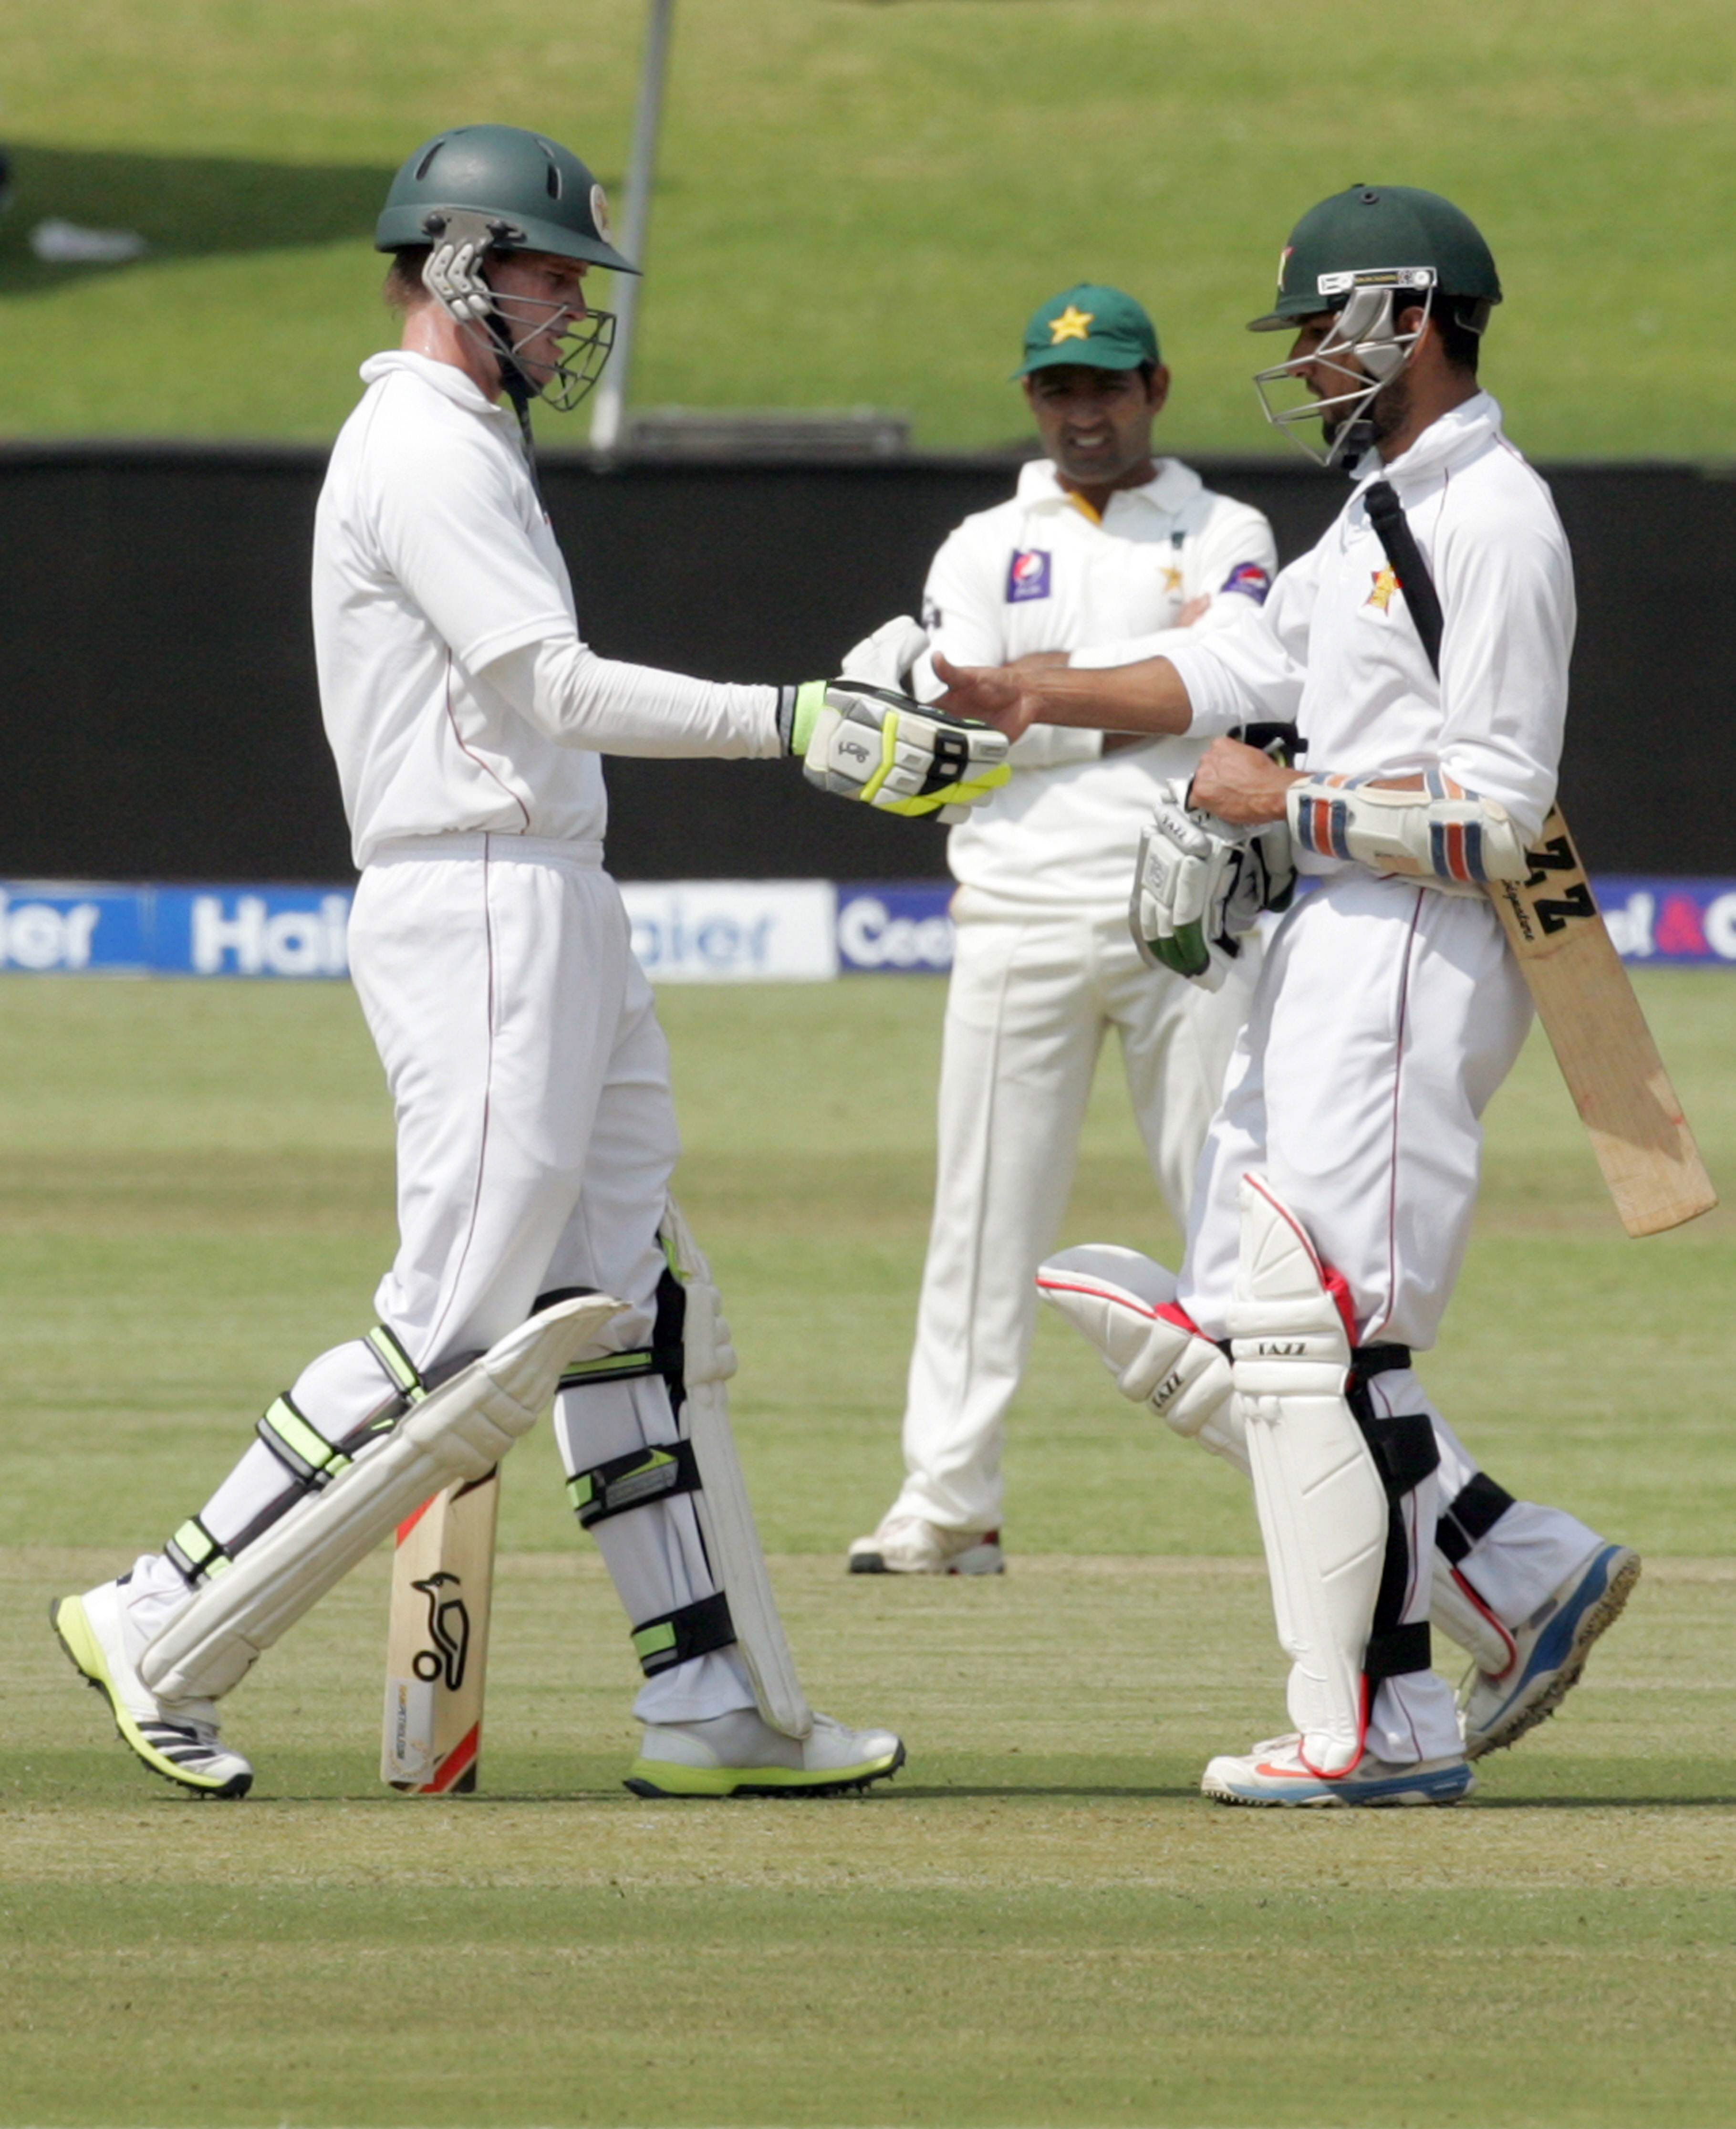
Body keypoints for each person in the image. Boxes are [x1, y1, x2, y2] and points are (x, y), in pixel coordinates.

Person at [50, 123, 1008, 1802]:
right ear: (457, 266)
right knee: (457, 1334)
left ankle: (711, 1695)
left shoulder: (472, 439)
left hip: (549, 893)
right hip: (476, 898)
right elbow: (550, 689)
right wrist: (796, 722)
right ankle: (161, 1610)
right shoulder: (415, 449)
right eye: (555, 277)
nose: (576, 311)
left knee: (638, 1310)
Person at [934, 185, 1638, 1806]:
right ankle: (1469, 1621)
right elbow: (1236, 668)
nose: (1312, 362)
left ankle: (1377, 1724)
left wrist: (1289, 811)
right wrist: (1034, 688)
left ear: (1412, 317)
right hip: (1332, 944)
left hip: (1416, 947)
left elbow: (1503, 819)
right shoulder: (1383, 504)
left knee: (1341, 1343)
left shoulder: (1496, 520)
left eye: (1327, 330)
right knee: (1285, 1336)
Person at [844, 284, 1279, 1577]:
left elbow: (1245, 681)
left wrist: (1043, 689)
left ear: (1155, 389)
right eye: (1059, 390)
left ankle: (1299, 1474)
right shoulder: (982, 543)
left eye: (1107, 388)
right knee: (982, 1218)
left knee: (1232, 1207)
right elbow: (972, 728)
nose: (1084, 413)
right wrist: (1153, 685)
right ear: (1033, 399)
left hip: (1184, 908)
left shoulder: (1224, 525)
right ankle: (946, 1499)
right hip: (1016, 911)